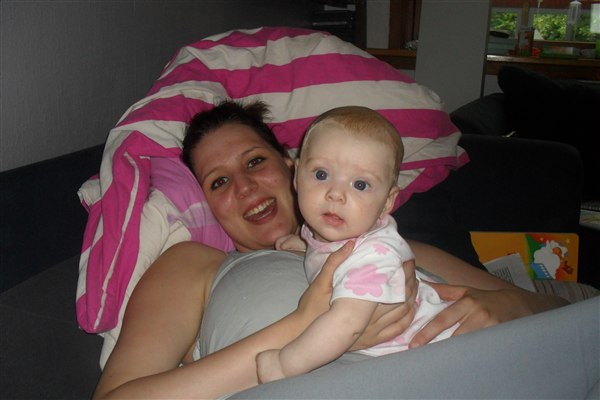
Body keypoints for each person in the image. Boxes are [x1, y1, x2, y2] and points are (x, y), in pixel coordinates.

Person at [92, 100, 570, 400]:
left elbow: (559, 314)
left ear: (292, 167)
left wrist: (509, 305)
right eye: (219, 182)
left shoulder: (391, 247)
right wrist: (307, 325)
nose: (244, 187)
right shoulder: (193, 263)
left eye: (255, 162)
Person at [256, 106, 458, 383]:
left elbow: (347, 323)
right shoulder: (330, 231)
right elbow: (333, 253)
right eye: (321, 174)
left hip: (442, 351)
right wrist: (305, 244)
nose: (336, 194)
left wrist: (284, 365)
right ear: (297, 175)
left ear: (387, 202)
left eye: (360, 185)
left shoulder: (373, 256)